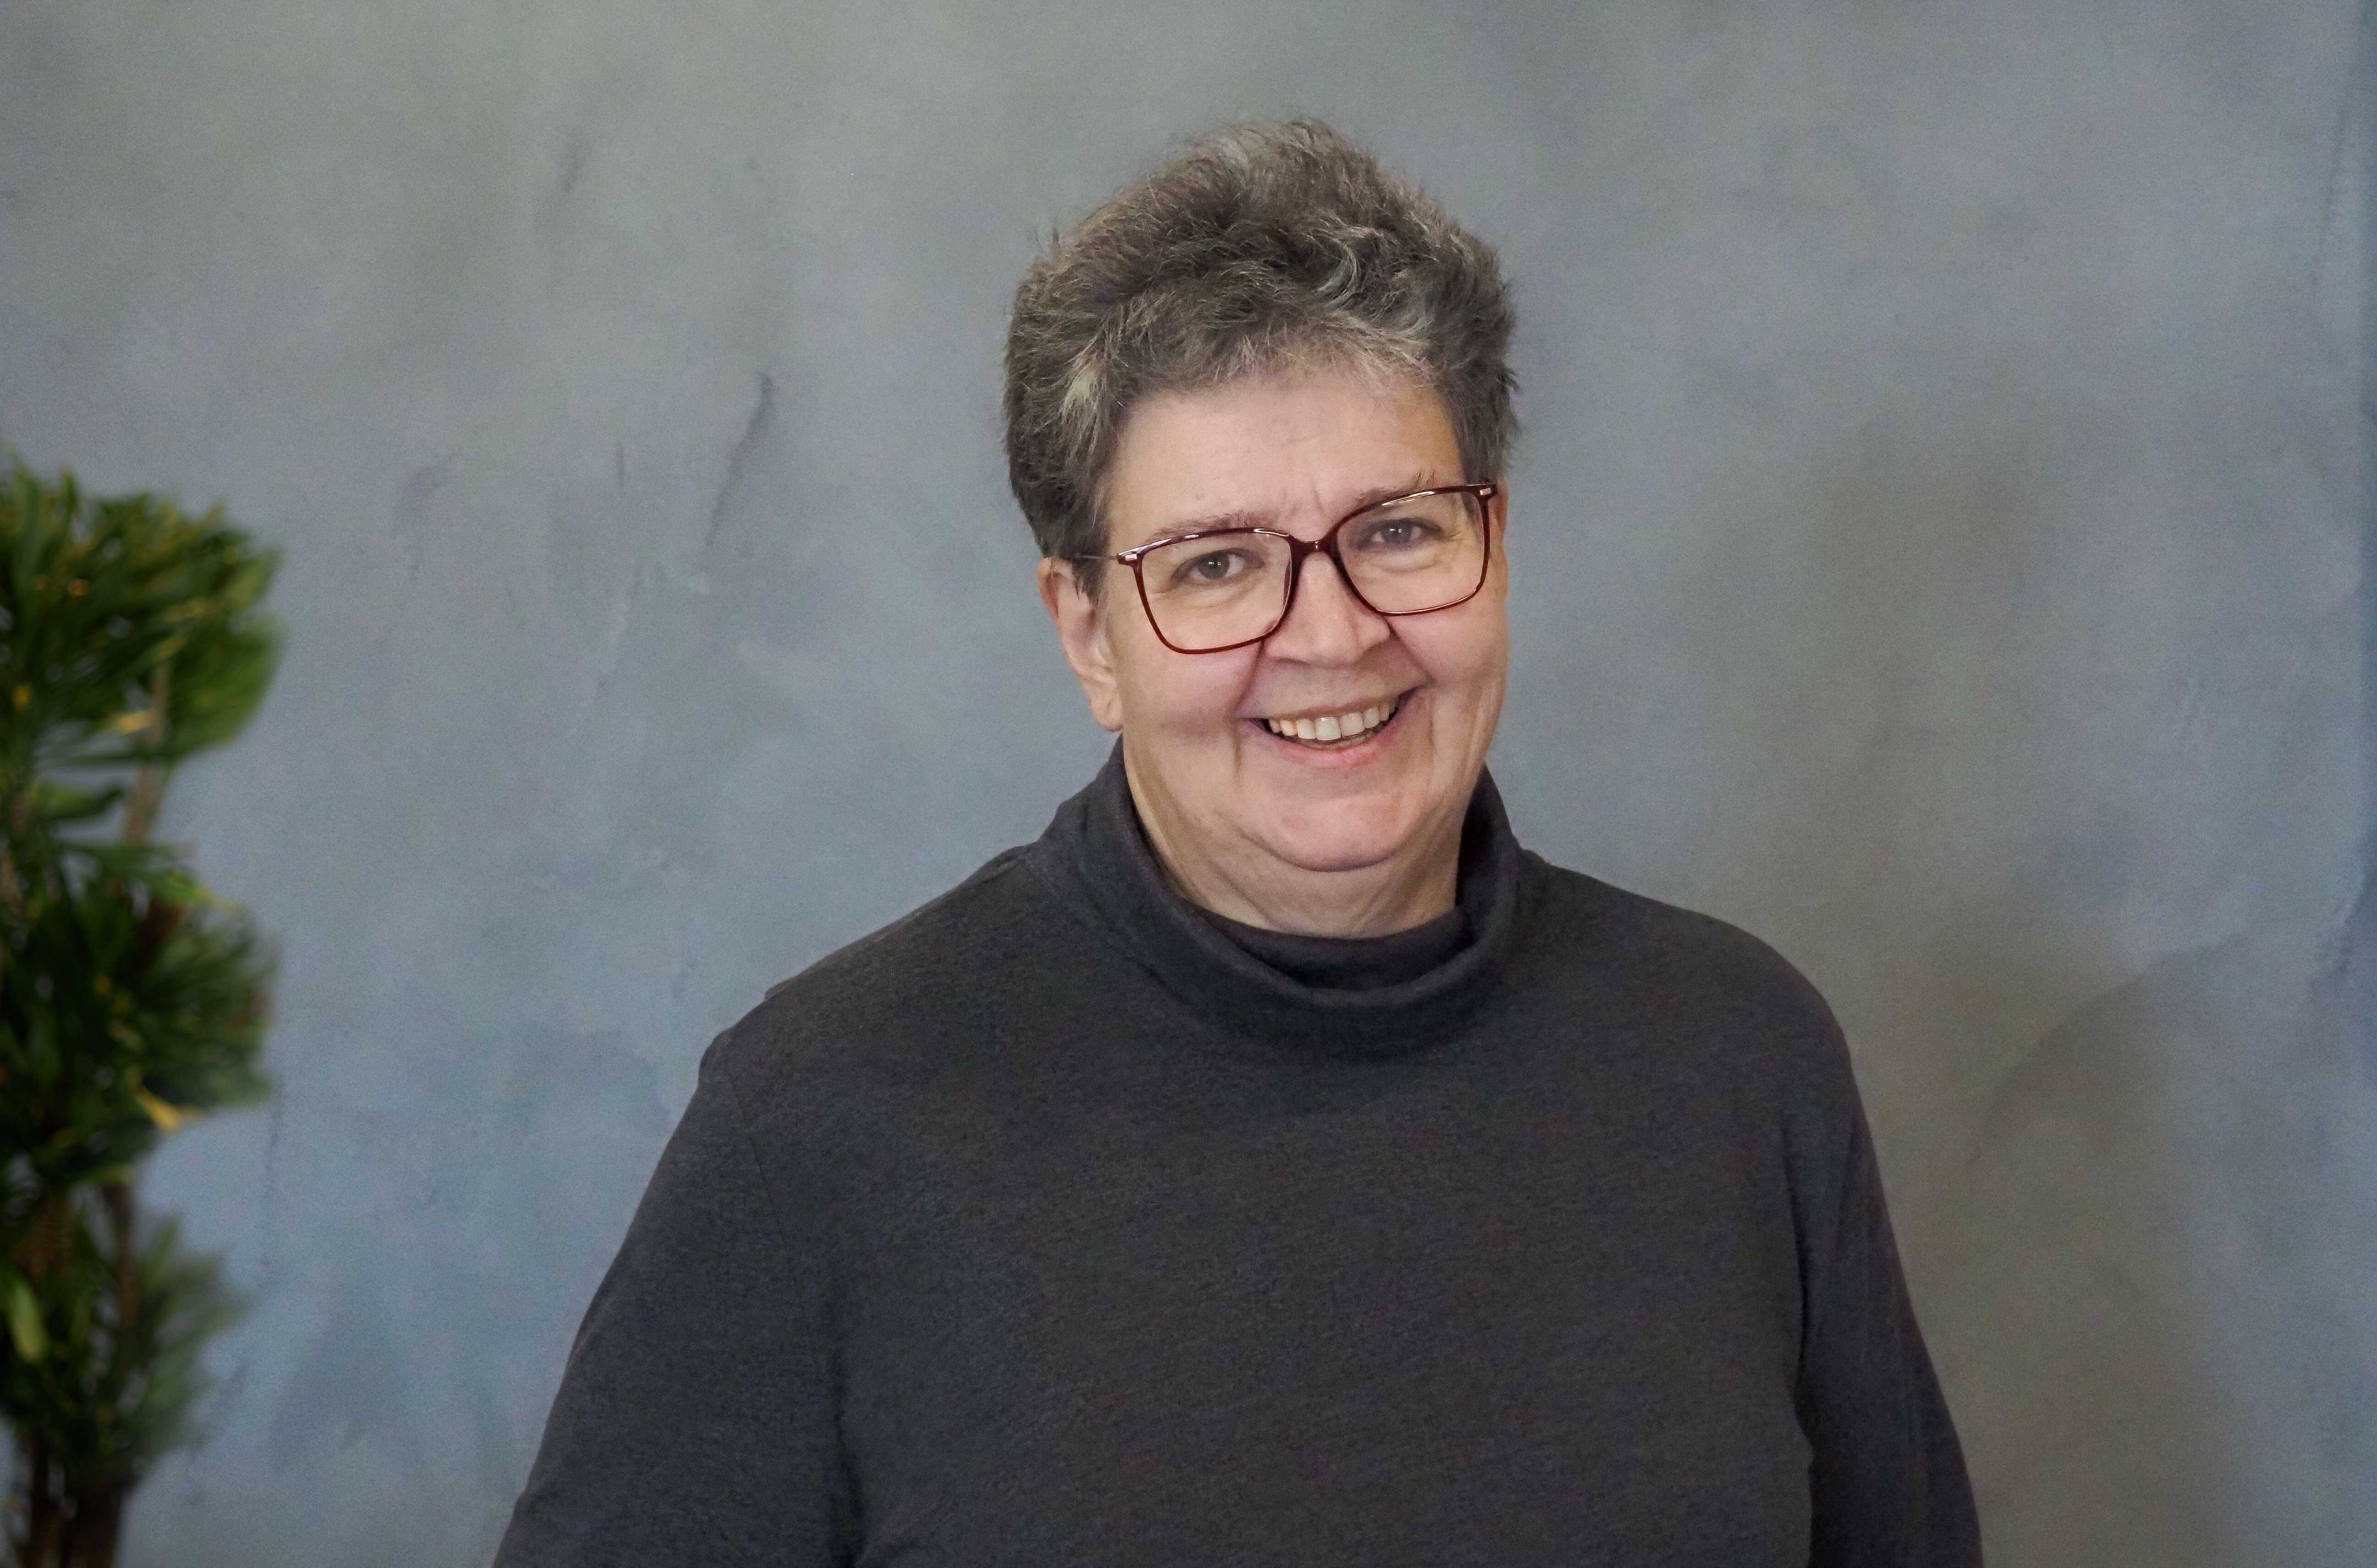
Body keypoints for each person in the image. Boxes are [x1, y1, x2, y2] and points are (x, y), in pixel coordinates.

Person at [492, 119, 1981, 1567]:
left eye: (1397, 530)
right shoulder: (821, 1128)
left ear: (1495, 544)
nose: (1330, 634)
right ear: (1090, 634)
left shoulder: (1739, 1058)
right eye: (1218, 563)